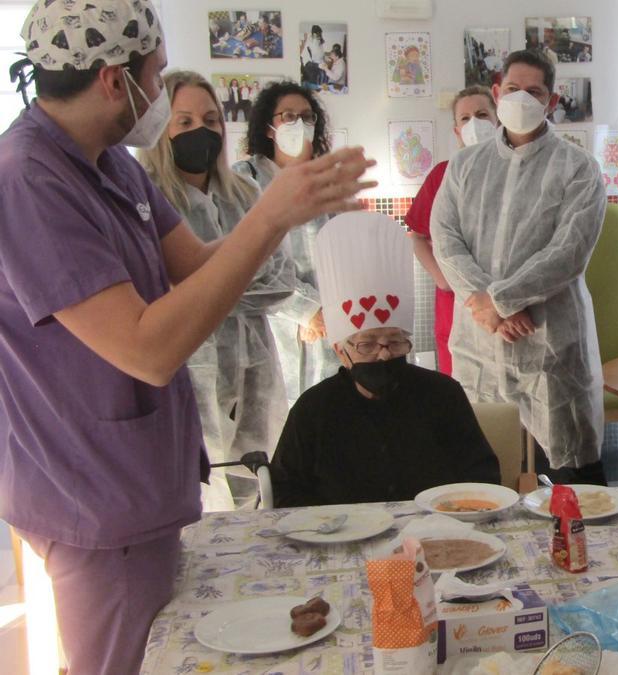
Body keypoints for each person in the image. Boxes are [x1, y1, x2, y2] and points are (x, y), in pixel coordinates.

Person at [0, 2, 373, 672]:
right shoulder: (28, 178)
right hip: (93, 489)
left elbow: (197, 265)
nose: (164, 92)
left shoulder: (112, 165)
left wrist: (285, 212)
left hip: (142, 480)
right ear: (117, 81)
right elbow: (147, 349)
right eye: (158, 74)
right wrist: (268, 216)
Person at [138, 70, 321, 511]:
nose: (200, 131)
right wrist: (235, 274)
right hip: (188, 366)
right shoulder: (149, 202)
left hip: (254, 362)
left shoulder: (245, 193)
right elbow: (161, 288)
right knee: (197, 495)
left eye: (211, 119)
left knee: (258, 488)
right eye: (183, 121)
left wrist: (204, 286)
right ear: (160, 126)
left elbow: (277, 280)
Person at [430, 49, 608, 484]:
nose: (522, 98)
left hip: (549, 344)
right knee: (481, 477)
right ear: (497, 92)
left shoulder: (578, 168)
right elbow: (445, 240)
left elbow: (569, 251)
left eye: (534, 91)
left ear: (551, 101)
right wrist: (490, 305)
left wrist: (503, 299)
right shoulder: (464, 166)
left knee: (572, 478)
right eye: (513, 89)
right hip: (479, 344)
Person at [270, 213, 501, 507]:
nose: (383, 354)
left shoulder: (443, 395)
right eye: (367, 345)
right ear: (341, 351)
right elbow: (284, 492)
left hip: (436, 534)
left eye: (394, 342)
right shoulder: (314, 410)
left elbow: (482, 475)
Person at [235, 82, 339, 402]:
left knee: (321, 420)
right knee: (273, 425)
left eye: (307, 118)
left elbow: (340, 255)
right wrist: (305, 309)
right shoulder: (244, 179)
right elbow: (243, 262)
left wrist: (326, 311)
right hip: (270, 325)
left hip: (327, 327)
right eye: (289, 116)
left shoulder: (325, 181)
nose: (299, 125)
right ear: (269, 127)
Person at [406, 85, 498, 376]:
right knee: (460, 399)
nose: (474, 124)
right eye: (465, 119)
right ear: (456, 131)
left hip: (504, 303)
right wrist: (442, 278)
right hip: (455, 306)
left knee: (510, 410)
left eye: (482, 115)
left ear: (498, 121)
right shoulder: (441, 176)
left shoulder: (517, 174)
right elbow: (417, 235)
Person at [301, 24, 326, 88]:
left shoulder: (320, 43)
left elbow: (321, 57)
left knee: (321, 88)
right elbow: (306, 62)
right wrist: (318, 65)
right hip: (311, 72)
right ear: (313, 34)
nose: (319, 36)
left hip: (320, 70)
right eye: (317, 34)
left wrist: (324, 60)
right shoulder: (309, 44)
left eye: (319, 34)